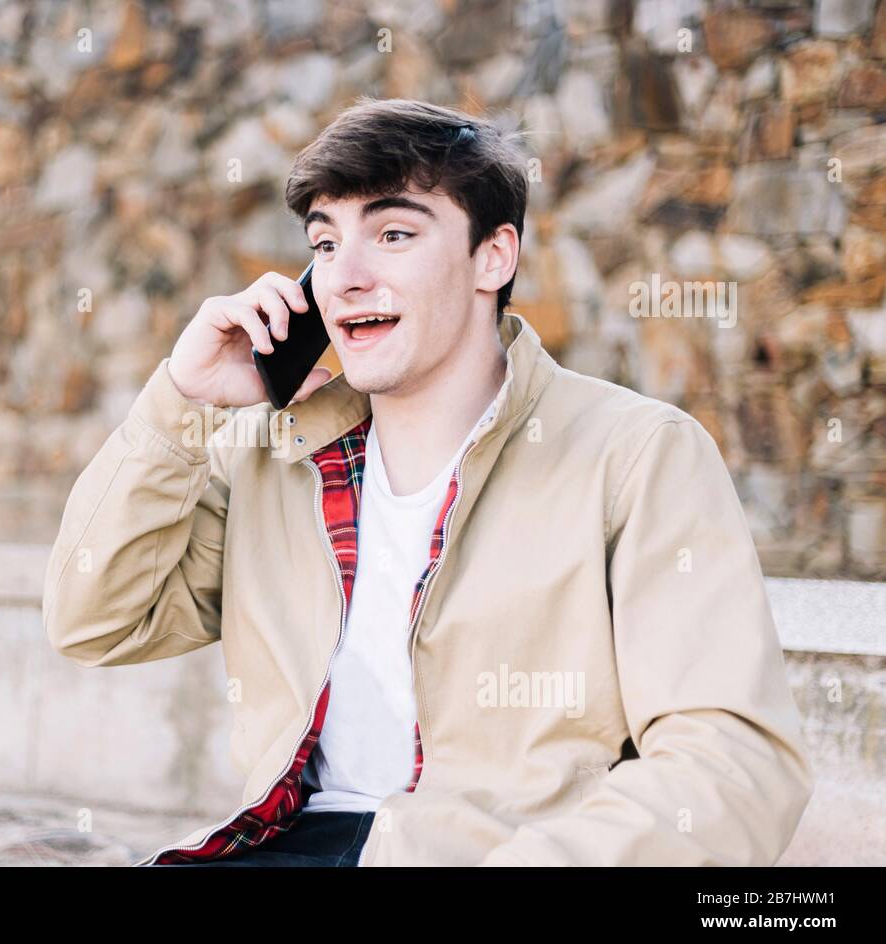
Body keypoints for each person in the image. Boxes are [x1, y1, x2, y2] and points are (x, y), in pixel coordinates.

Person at [42, 97, 813, 867]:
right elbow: (95, 618)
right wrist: (181, 402)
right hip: (284, 845)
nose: (346, 279)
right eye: (325, 244)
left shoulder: (637, 455)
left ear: (494, 258)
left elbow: (730, 765)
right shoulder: (272, 460)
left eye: (394, 234)